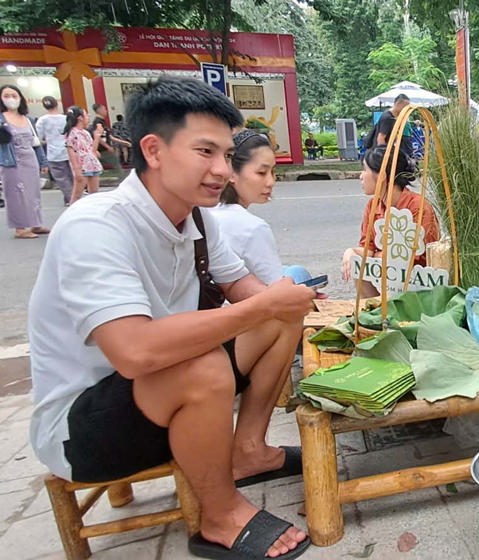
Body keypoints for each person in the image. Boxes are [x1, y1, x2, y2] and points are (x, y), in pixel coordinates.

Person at [28, 77, 313, 560]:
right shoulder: (95, 225)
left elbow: (250, 294)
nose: (222, 170)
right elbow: (135, 352)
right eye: (206, 152)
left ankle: (248, 451)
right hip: (83, 429)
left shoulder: (199, 219)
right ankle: (218, 516)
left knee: (281, 319)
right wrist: (261, 305)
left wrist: (290, 304)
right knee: (202, 363)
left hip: (161, 393)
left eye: (226, 155)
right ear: (154, 150)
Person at [211, 129, 312, 285]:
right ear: (231, 173)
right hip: (243, 304)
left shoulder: (206, 212)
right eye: (261, 172)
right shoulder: (252, 227)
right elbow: (276, 290)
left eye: (273, 172)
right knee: (298, 273)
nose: (271, 182)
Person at [341, 145, 440, 297]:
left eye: (365, 170)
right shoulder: (372, 206)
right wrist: (351, 252)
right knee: (357, 263)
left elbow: (414, 257)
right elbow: (368, 248)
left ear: (382, 176)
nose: (360, 176)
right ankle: (373, 313)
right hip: (386, 277)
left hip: (417, 284)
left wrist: (376, 256)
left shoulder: (418, 207)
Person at [0, 83, 50, 239]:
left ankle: (36, 223)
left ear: (20, 98)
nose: (11, 99)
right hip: (11, 161)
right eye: (6, 96)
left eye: (14, 96)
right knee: (15, 194)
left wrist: (43, 162)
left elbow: (36, 143)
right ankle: (20, 228)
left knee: (33, 192)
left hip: (30, 159)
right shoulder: (1, 119)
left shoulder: (28, 119)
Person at [35, 96, 73, 206]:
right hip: (69, 151)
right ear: (57, 104)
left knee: (62, 178)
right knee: (72, 176)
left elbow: (39, 138)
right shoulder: (65, 118)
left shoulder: (42, 120)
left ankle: (70, 198)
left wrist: (49, 140)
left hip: (53, 154)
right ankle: (73, 197)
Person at [63, 106, 104, 204]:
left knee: (94, 194)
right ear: (80, 117)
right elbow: (71, 151)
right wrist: (77, 170)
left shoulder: (86, 133)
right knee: (77, 195)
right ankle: (71, 214)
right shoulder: (72, 133)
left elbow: (93, 151)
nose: (88, 116)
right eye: (86, 114)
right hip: (82, 167)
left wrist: (97, 137)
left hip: (92, 166)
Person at [88, 103, 131, 170]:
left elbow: (109, 136)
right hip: (103, 150)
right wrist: (108, 147)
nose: (106, 111)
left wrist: (123, 142)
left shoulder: (103, 122)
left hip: (106, 149)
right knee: (116, 168)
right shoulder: (98, 122)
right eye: (105, 109)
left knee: (114, 167)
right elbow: (98, 137)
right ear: (99, 110)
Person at [374, 93, 414, 160]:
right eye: (405, 107)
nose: (406, 110)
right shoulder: (388, 118)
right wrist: (384, 157)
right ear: (398, 104)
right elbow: (380, 138)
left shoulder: (396, 117)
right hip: (382, 152)